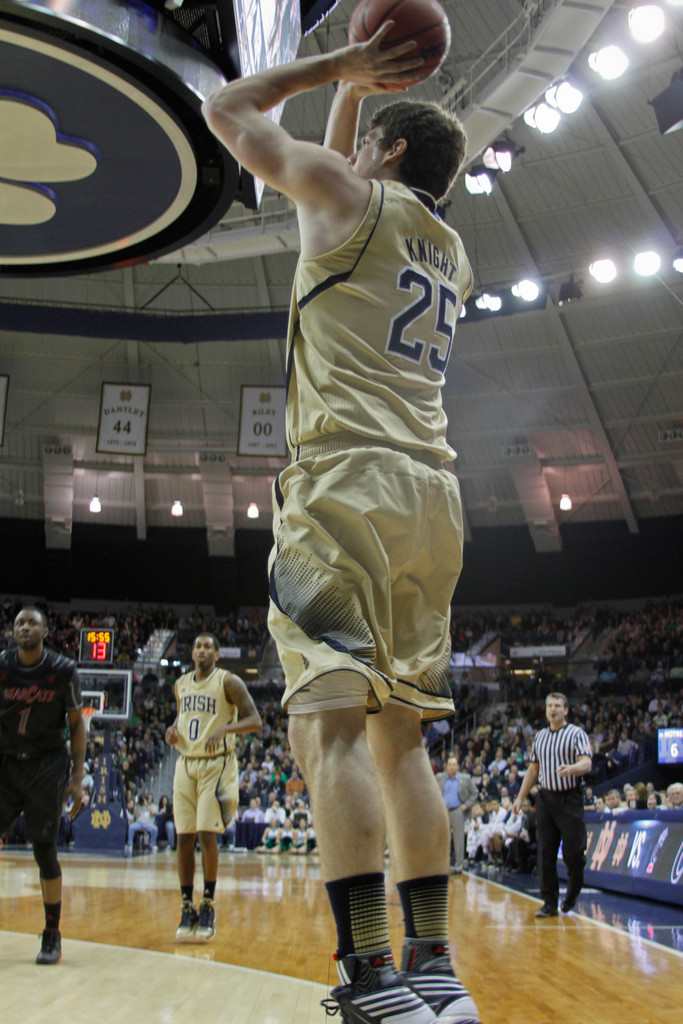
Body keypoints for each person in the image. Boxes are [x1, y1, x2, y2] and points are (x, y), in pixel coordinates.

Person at [203, 22, 477, 1024]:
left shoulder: (346, 195)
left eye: (361, 139)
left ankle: (370, 976)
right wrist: (361, 98)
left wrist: (335, 67)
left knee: (328, 734)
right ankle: (434, 970)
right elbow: (350, 161)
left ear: (388, 156)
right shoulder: (450, 251)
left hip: (341, 485)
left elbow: (224, 111)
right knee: (401, 741)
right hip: (430, 498)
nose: (345, 144)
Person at [0, 606, 86, 964]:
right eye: (19, 622)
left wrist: (78, 778)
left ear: (45, 631)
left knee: (44, 850)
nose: (24, 627)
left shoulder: (63, 670)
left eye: (32, 622)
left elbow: (77, 725)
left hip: (47, 765)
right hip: (6, 762)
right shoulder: (2, 665)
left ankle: (52, 932)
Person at [165, 633, 261, 941]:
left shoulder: (229, 682)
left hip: (216, 763)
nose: (201, 650)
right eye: (197, 646)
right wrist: (171, 729)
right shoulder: (180, 685)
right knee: (183, 837)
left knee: (207, 834)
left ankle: (207, 902)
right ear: (192, 654)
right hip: (186, 762)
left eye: (207, 646)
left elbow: (256, 721)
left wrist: (226, 728)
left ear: (217, 654)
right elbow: (183, 718)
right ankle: (185, 905)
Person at [512, 692, 592, 918]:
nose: (553, 709)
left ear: (566, 710)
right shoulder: (539, 737)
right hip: (546, 799)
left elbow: (586, 763)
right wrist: (520, 798)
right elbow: (533, 770)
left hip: (570, 798)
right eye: (549, 705)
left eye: (557, 705)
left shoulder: (577, 734)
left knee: (573, 852)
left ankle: (574, 890)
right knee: (545, 852)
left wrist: (571, 769)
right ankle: (549, 903)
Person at [436, 754, 478, 874]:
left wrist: (466, 805)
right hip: (443, 811)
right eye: (450, 764)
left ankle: (459, 866)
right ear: (446, 766)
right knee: (442, 840)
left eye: (454, 764)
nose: (452, 767)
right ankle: (443, 865)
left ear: (458, 766)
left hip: (457, 811)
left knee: (458, 840)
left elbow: (474, 793)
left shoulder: (465, 778)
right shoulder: (439, 777)